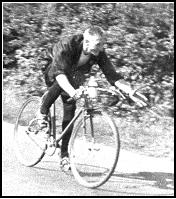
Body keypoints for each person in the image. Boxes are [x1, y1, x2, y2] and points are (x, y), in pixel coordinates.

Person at [38, 26, 147, 170]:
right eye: (98, 44)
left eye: (102, 44)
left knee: (70, 110)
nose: (101, 48)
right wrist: (72, 92)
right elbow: (59, 73)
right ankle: (42, 111)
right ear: (86, 41)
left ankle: (64, 155)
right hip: (52, 66)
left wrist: (129, 90)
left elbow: (111, 74)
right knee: (61, 83)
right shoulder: (67, 45)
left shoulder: (98, 52)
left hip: (73, 72)